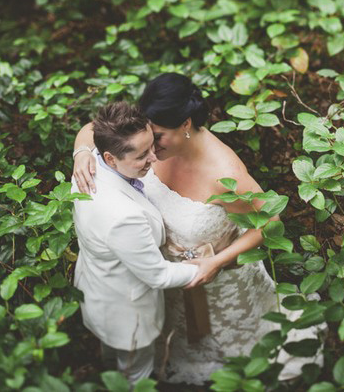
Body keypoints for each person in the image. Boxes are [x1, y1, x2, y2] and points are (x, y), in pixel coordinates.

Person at [72, 73, 323, 385]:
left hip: (216, 285)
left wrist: (216, 262)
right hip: (162, 285)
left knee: (228, 352)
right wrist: (81, 153)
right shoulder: (148, 142)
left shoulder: (223, 172)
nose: (151, 148)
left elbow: (271, 222)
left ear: (186, 125)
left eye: (159, 136)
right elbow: (93, 131)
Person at [72, 101, 200, 386]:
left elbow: (90, 130)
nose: (154, 158)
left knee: (111, 356)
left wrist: (80, 151)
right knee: (134, 374)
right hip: (127, 314)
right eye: (142, 155)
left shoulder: (89, 162)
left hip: (96, 288)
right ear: (111, 157)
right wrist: (205, 267)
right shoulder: (123, 216)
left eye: (152, 145)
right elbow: (157, 275)